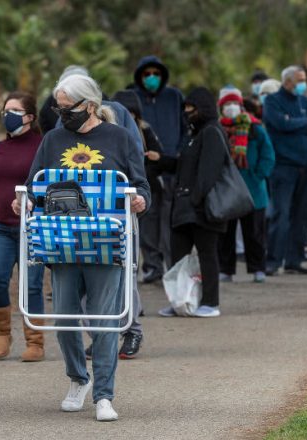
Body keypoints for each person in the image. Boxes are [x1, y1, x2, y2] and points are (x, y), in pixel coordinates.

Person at [14, 74, 149, 422]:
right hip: (61, 242)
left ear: (89, 105)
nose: (60, 113)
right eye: (57, 107)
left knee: (105, 321)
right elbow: (33, 186)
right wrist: (24, 203)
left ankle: (104, 394)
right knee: (65, 317)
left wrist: (140, 201)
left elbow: (140, 184)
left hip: (106, 243)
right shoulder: (53, 140)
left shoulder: (119, 137)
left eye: (66, 107)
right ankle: (78, 379)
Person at [0, 91, 45, 362]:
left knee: (33, 286)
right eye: (5, 111)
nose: (7, 116)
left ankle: (35, 340)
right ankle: (2, 334)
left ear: (29, 117)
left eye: (14, 111)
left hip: (32, 228)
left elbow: (48, 184)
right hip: (0, 228)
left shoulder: (43, 147)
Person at [155, 87, 230, 318]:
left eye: (192, 108)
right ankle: (180, 301)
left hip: (202, 209)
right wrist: (162, 161)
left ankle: (210, 302)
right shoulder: (192, 134)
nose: (188, 113)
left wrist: (197, 199)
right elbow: (184, 165)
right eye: (186, 108)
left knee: (207, 255)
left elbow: (209, 172)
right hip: (184, 208)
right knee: (178, 258)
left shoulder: (211, 132)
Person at [109, 89, 164, 359]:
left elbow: (139, 177)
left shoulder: (129, 133)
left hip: (123, 215)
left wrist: (140, 197)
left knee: (124, 277)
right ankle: (101, 335)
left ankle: (131, 330)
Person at [133, 55, 187, 284]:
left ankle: (171, 268)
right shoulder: (134, 97)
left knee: (170, 224)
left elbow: (185, 129)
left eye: (156, 73)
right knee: (148, 223)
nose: (152, 78)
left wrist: (177, 155)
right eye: (147, 74)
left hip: (172, 170)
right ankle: (152, 267)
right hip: (146, 173)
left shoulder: (174, 97)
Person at [262, 65, 307, 276]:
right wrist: (300, 123)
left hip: (306, 165)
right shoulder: (272, 102)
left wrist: (293, 122)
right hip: (283, 167)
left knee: (301, 215)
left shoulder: (304, 101)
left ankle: (294, 260)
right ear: (287, 81)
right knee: (281, 214)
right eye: (300, 79)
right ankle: (273, 260)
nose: (303, 83)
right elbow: (279, 124)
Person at [215, 87, 275, 283]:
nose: (231, 108)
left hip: (253, 189)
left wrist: (258, 175)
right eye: (227, 105)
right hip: (227, 190)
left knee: (255, 233)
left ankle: (258, 268)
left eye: (234, 104)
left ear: (241, 106)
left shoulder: (255, 129)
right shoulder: (216, 130)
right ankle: (226, 269)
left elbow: (268, 155)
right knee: (226, 234)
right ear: (221, 108)